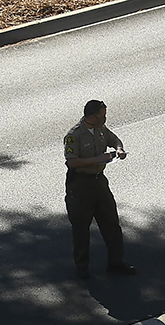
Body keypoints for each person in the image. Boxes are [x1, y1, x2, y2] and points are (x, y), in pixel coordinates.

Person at [63, 99, 136, 279]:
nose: (105, 118)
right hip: (80, 184)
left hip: (99, 182)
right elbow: (72, 161)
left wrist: (119, 149)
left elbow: (114, 139)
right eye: (102, 116)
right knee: (81, 227)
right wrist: (98, 159)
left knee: (111, 222)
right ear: (93, 117)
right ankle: (82, 266)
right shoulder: (74, 135)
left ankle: (116, 262)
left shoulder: (101, 129)